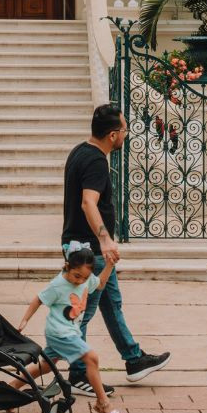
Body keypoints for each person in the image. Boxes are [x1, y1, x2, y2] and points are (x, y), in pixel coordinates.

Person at [61, 103, 170, 396]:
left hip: (82, 246)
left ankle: (134, 359)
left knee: (111, 303)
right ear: (112, 135)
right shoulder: (96, 161)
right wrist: (105, 240)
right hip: (89, 250)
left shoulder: (79, 151)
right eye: (123, 130)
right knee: (82, 313)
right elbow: (88, 202)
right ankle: (79, 374)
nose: (125, 135)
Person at [16, 248, 128, 413]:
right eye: (77, 276)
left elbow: (99, 284)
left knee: (45, 367)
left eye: (84, 277)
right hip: (60, 333)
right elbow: (39, 298)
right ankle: (103, 403)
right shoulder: (58, 284)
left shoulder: (86, 277)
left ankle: (10, 389)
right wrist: (24, 320)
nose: (80, 281)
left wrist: (109, 266)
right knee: (91, 358)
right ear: (67, 266)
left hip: (69, 332)